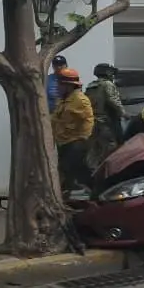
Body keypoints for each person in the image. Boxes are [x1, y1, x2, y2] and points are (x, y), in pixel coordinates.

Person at [51, 67, 94, 195]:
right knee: (71, 172)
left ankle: (93, 193)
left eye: (60, 84)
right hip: (64, 142)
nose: (57, 87)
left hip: (76, 142)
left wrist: (82, 140)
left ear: (69, 86)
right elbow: (56, 120)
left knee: (69, 170)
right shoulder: (63, 100)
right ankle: (69, 196)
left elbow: (88, 121)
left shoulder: (80, 100)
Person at [85, 63, 126, 169]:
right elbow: (113, 100)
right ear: (107, 72)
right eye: (111, 73)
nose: (113, 75)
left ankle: (91, 175)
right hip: (107, 123)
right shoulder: (108, 84)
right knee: (111, 149)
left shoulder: (91, 86)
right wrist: (123, 113)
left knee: (95, 152)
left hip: (94, 122)